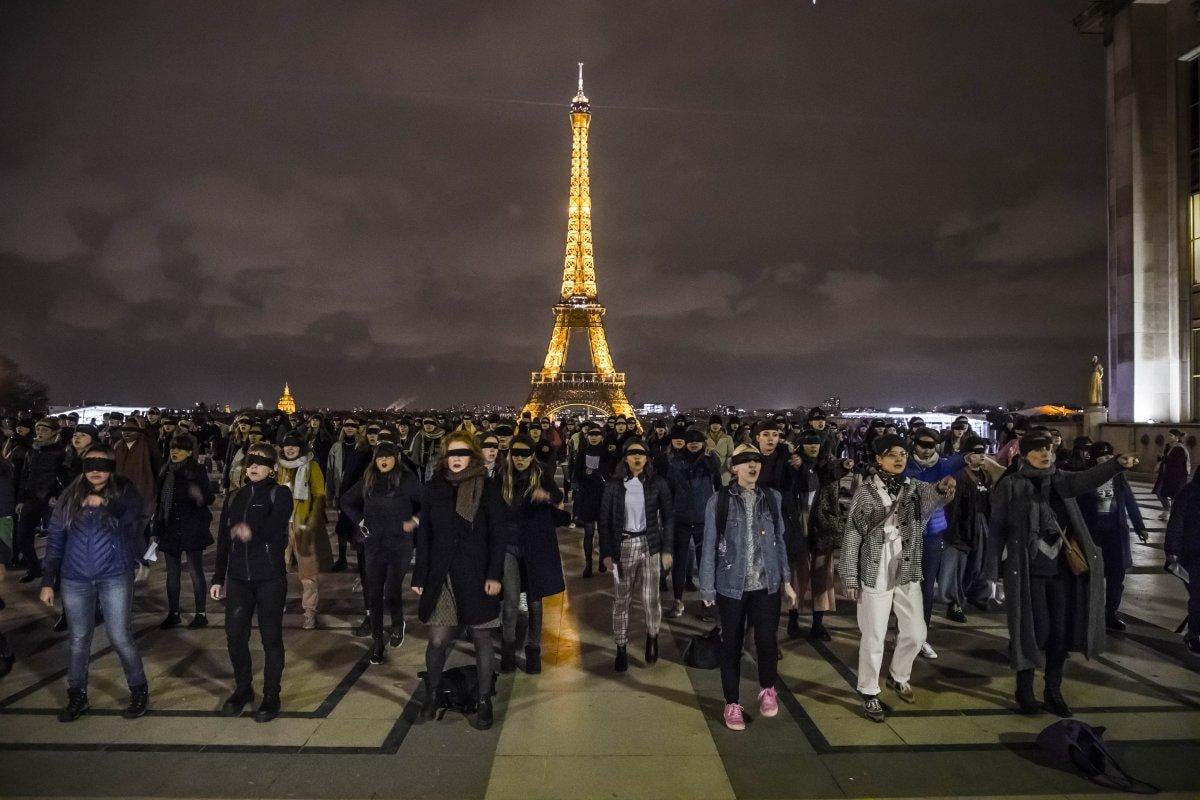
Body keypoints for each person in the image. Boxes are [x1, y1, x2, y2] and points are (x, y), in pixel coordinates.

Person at [988, 430, 1138, 716]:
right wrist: (993, 570)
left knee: (1060, 632)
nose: (1045, 454)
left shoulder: (1062, 480)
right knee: (1034, 631)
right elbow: (998, 528)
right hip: (1029, 570)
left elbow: (1090, 478)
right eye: (1037, 450)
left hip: (1063, 570)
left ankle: (1053, 690)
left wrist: (1116, 464)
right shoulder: (1012, 485)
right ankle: (1024, 689)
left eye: (1048, 449)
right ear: (1024, 453)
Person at [838, 433, 956, 723]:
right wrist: (850, 576)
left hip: (907, 564)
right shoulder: (866, 491)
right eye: (892, 454)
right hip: (875, 565)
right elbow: (852, 533)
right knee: (874, 633)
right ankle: (869, 690)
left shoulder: (912, 486)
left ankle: (898, 674)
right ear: (879, 459)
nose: (899, 459)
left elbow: (931, 499)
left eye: (903, 454)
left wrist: (943, 488)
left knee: (916, 632)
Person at [39, 445, 149, 722]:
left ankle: (138, 690)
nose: (96, 471)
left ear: (112, 467)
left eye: (102, 465)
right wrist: (48, 581)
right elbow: (55, 540)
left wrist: (107, 503)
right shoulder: (69, 497)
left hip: (114, 574)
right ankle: (76, 694)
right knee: (78, 639)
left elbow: (134, 520)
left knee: (120, 635)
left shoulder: (123, 491)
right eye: (90, 465)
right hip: (75, 577)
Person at [412, 431, 506, 730]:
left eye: (463, 454)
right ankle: (434, 692)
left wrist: (494, 574)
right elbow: (424, 533)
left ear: (473, 457)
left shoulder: (487, 487)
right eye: (452, 454)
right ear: (444, 457)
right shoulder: (433, 488)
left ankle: (483, 699)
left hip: (476, 573)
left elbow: (498, 535)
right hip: (442, 574)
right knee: (438, 639)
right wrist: (420, 575)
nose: (457, 460)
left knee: (481, 637)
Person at [699, 443, 795, 731]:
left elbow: (779, 541)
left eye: (756, 461)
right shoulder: (720, 501)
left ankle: (768, 689)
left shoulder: (772, 498)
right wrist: (706, 587)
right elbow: (709, 546)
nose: (752, 466)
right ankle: (732, 703)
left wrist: (787, 581)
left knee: (767, 642)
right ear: (734, 467)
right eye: (745, 461)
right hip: (731, 586)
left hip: (766, 584)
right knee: (732, 647)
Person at [210, 442, 293, 722]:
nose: (253, 467)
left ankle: (271, 696)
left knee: (271, 637)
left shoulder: (279, 494)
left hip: (269, 577)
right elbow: (223, 540)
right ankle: (243, 689)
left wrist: (252, 531)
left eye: (260, 462)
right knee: (235, 636)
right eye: (250, 462)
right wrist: (218, 577)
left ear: (272, 468)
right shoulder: (236, 496)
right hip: (238, 579)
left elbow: (276, 528)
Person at [340, 440, 422, 664]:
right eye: (379, 457)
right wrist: (360, 520)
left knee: (392, 590)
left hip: (399, 545)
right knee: (374, 593)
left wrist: (414, 520)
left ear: (395, 458)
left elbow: (426, 503)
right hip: (374, 544)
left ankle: (397, 622)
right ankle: (377, 642)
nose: (383, 461)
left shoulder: (406, 480)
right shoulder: (368, 480)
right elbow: (346, 501)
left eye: (387, 457)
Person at [599, 438, 674, 672]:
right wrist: (606, 553)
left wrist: (667, 550)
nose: (637, 458)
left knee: (651, 598)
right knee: (622, 600)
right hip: (623, 545)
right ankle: (621, 646)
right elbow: (604, 522)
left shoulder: (657, 483)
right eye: (632, 454)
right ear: (625, 458)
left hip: (649, 543)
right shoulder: (613, 485)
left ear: (647, 458)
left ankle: (652, 638)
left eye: (641, 454)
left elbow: (669, 516)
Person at [498, 435, 566, 674]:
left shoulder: (542, 474)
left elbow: (559, 497)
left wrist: (545, 496)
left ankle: (533, 650)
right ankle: (508, 651)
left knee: (535, 602)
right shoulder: (501, 475)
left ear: (532, 455)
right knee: (511, 603)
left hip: (535, 546)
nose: (519, 458)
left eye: (525, 454)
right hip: (509, 545)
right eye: (516, 453)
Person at [903, 427, 966, 656]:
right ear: (914, 443)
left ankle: (921, 637)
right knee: (903, 586)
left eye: (932, 445)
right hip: (907, 530)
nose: (927, 449)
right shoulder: (905, 463)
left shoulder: (945, 464)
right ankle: (904, 634)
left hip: (932, 532)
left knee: (926, 586)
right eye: (922, 444)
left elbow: (965, 460)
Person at [788, 429, 853, 641]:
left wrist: (846, 465)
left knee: (823, 575)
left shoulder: (828, 465)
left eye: (816, 443)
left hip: (822, 524)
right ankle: (792, 619)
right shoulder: (793, 465)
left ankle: (818, 624)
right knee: (797, 574)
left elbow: (836, 472)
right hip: (799, 522)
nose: (813, 447)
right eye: (808, 443)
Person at [1077, 441, 1148, 632]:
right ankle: (1091, 614)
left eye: (1110, 457)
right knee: (1093, 576)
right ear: (1094, 458)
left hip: (1116, 533)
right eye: (1103, 457)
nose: (1108, 460)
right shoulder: (1084, 477)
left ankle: (1110, 614)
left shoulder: (1118, 477)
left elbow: (1129, 501)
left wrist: (1140, 526)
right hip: (1093, 534)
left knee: (1117, 577)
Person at [154, 435, 215, 629]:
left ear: (189, 452)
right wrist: (157, 526)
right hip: (170, 527)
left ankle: (201, 613)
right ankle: (174, 613)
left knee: (195, 572)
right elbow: (159, 502)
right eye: (173, 448)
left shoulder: (197, 470)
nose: (175, 452)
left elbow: (208, 498)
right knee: (172, 574)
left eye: (180, 449)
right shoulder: (165, 470)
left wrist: (198, 495)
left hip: (192, 527)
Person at [275, 431, 330, 630]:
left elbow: (319, 495)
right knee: (277, 569)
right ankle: (276, 603)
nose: (289, 449)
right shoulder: (278, 466)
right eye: (286, 445)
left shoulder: (312, 466)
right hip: (281, 526)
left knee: (308, 574)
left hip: (303, 526)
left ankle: (309, 611)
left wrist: (312, 521)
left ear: (301, 448)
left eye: (294, 446)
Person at [15, 416, 67, 582]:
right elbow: (25, 474)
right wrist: (21, 499)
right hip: (31, 499)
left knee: (55, 540)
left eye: (45, 429)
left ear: (54, 432)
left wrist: (56, 495)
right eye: (38, 429)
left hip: (50, 501)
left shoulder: (61, 451)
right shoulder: (33, 449)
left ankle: (57, 577)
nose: (40, 432)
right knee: (22, 537)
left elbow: (65, 477)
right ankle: (34, 568)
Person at [1165, 466, 1200, 655]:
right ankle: (1194, 634)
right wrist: (1172, 550)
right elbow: (1176, 521)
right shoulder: (1190, 493)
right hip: (1192, 554)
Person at [572, 423, 614, 577]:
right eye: (591, 434)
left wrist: (598, 472)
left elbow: (612, 474)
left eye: (597, 434)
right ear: (587, 436)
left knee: (603, 532)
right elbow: (576, 474)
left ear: (602, 437)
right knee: (589, 531)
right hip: (588, 496)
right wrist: (586, 473)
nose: (594, 437)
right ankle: (588, 563)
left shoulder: (607, 454)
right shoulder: (582, 453)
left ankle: (603, 558)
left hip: (603, 496)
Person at [1153, 429, 1191, 521]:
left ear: (1177, 437)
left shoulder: (1180, 448)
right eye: (1169, 435)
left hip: (1176, 476)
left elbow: (1177, 462)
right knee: (1159, 492)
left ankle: (1174, 514)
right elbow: (1165, 459)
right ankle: (1167, 509)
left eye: (1171, 435)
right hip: (1166, 474)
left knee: (1175, 495)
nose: (1169, 437)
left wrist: (1164, 458)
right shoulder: (1168, 446)